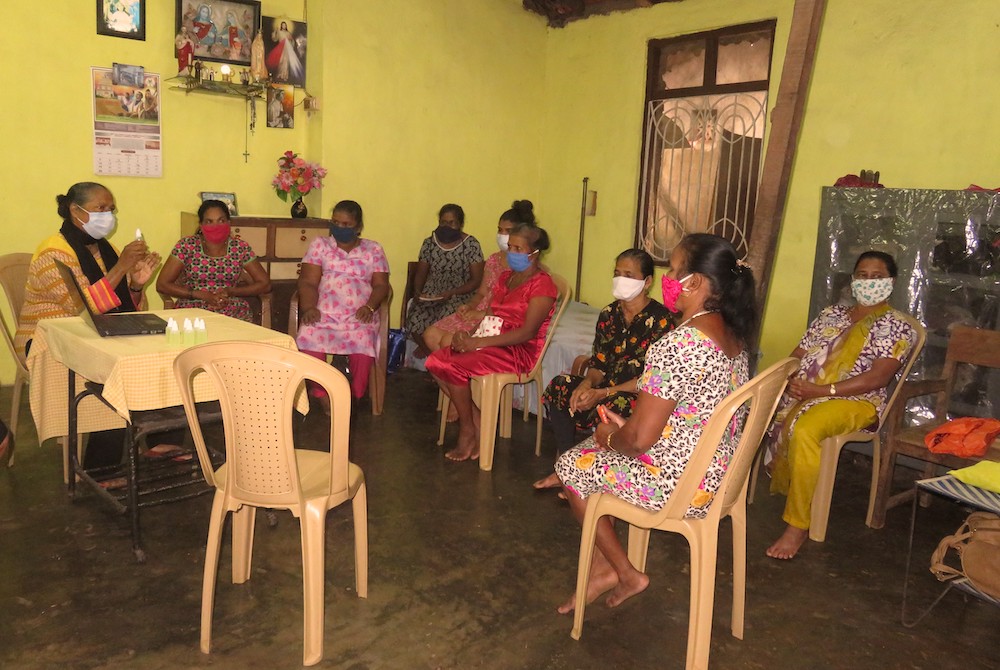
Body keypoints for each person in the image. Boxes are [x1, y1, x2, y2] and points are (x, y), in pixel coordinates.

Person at [554, 234, 755, 613]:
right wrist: (628, 424)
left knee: (572, 466)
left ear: (694, 282)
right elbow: (691, 411)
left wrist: (610, 435)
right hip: (718, 471)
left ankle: (624, 571)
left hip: (679, 483)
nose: (668, 279)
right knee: (593, 452)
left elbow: (638, 442)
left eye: (674, 271)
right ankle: (604, 566)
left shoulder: (678, 343)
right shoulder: (733, 336)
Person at [765, 250, 916, 560]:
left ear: (891, 281)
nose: (869, 282)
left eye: (877, 277)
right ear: (853, 280)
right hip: (808, 391)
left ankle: (797, 526)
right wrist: (782, 381)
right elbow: (797, 354)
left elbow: (878, 378)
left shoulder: (896, 325)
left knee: (805, 428)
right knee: (758, 409)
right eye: (863, 275)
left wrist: (821, 390)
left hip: (857, 401)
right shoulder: (831, 315)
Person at [15, 182, 160, 467]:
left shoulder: (105, 249)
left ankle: (159, 439)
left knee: (154, 357)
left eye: (111, 209)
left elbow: (126, 309)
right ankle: (101, 467)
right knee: (109, 372)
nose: (108, 215)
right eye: (100, 209)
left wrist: (136, 284)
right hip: (48, 339)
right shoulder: (53, 254)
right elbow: (84, 310)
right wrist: (121, 267)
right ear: (75, 211)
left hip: (96, 334)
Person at [533, 248, 672, 490]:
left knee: (612, 405)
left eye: (629, 275)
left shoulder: (661, 321)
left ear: (647, 282)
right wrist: (587, 384)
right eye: (617, 273)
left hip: (638, 397)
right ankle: (568, 468)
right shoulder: (609, 314)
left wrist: (603, 393)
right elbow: (599, 363)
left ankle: (587, 477)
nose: (620, 280)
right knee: (560, 387)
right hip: (605, 389)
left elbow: (652, 380)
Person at [426, 223, 557, 462]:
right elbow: (489, 314)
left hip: (517, 350)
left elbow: (527, 333)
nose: (511, 253)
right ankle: (476, 421)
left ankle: (467, 431)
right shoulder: (506, 277)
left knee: (452, 365)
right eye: (510, 247)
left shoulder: (543, 285)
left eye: (518, 248)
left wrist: (479, 343)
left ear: (535, 253)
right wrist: (469, 336)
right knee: (436, 360)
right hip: (491, 341)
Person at [295, 200, 390, 409]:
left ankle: (353, 397)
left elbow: (382, 286)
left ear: (358, 226)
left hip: (360, 313)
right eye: (335, 222)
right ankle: (321, 393)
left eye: (346, 225)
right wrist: (309, 308)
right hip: (324, 311)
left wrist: (370, 307)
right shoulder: (320, 245)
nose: (340, 228)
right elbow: (308, 281)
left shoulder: (373, 249)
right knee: (308, 334)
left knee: (363, 341)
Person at [422, 200, 535, 353]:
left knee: (448, 342)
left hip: (495, 319)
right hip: (479, 311)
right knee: (430, 335)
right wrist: (469, 306)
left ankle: (460, 373)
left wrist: (480, 314)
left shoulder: (524, 267)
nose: (502, 235)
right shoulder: (494, 260)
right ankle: (453, 372)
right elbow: (482, 293)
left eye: (507, 231)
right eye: (499, 230)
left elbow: (513, 309)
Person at [155, 200, 270, 322]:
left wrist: (231, 291)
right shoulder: (187, 245)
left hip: (230, 309)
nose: (216, 226)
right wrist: (200, 295)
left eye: (221, 220)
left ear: (229, 223)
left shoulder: (240, 247)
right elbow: (162, 285)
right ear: (201, 225)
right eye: (209, 222)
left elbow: (265, 284)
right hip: (192, 309)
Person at [406, 204, 484, 356]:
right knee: (415, 317)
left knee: (446, 315)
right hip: (432, 293)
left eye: (451, 223)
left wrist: (452, 292)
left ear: (460, 224)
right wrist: (418, 292)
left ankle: (437, 357)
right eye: (443, 222)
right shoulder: (429, 243)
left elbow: (476, 280)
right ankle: (431, 354)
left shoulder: (471, 245)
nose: (446, 227)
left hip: (460, 293)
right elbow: (421, 273)